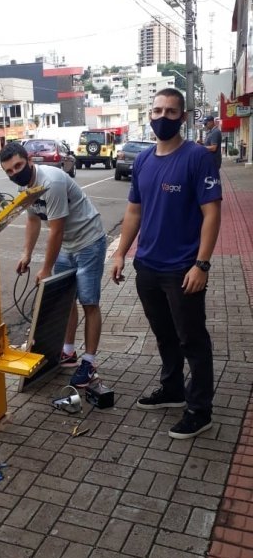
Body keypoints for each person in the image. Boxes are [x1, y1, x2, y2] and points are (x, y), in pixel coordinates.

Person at [111, 88, 222, 439]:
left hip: (182, 269)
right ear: (149, 114)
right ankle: (172, 389)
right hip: (148, 266)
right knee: (164, 335)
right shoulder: (143, 160)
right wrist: (120, 253)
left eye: (171, 112)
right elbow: (134, 211)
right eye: (157, 110)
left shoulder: (197, 158)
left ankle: (199, 409)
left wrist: (201, 264)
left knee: (192, 339)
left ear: (183, 117)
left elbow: (212, 213)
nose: (163, 117)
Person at [0, 141, 106, 387]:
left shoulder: (52, 182)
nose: (16, 173)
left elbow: (55, 231)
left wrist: (46, 268)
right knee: (65, 300)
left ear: (29, 160)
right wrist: (26, 254)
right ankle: (68, 352)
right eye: (10, 171)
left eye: (18, 165)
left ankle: (89, 363)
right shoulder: (27, 189)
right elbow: (33, 221)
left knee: (89, 301)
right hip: (67, 245)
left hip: (88, 242)